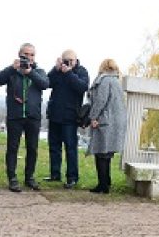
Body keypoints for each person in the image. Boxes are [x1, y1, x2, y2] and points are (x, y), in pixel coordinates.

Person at [0, 43, 49, 192]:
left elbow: (45, 84)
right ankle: (12, 178)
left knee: (32, 148)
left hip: (33, 116)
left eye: (32, 55)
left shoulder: (39, 71)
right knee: (12, 147)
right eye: (26, 54)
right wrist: (12, 68)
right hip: (15, 115)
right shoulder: (12, 71)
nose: (29, 57)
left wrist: (30, 72)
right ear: (19, 54)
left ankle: (29, 177)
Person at [45, 49, 89, 189]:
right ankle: (55, 174)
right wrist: (55, 69)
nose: (68, 62)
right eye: (66, 60)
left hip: (70, 117)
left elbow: (82, 87)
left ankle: (72, 177)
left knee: (70, 148)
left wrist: (69, 73)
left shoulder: (81, 72)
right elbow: (47, 83)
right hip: (55, 115)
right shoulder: (57, 71)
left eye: (71, 60)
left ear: (76, 60)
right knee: (54, 147)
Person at [86, 59, 126, 194]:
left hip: (105, 120)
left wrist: (93, 117)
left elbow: (100, 100)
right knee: (107, 154)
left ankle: (102, 185)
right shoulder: (117, 81)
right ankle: (106, 182)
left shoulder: (104, 81)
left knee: (101, 153)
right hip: (116, 121)